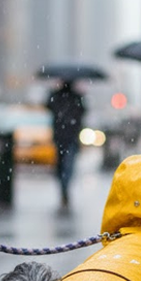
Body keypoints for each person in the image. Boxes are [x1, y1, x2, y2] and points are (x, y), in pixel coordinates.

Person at [47, 80, 85, 211]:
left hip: (62, 137)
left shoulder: (57, 97)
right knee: (67, 166)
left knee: (62, 165)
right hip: (69, 137)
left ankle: (64, 188)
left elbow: (49, 107)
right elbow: (83, 112)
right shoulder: (76, 98)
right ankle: (64, 187)